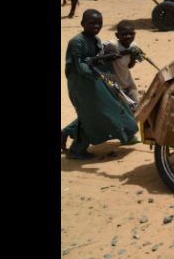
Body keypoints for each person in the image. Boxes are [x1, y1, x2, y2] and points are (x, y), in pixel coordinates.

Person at [60, 10, 139, 159]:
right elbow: (79, 66)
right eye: (92, 23)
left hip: (94, 81)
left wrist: (107, 58)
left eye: (99, 23)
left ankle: (68, 134)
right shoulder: (76, 42)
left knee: (97, 113)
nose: (96, 26)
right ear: (83, 24)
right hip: (81, 84)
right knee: (94, 114)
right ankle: (77, 149)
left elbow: (97, 60)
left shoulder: (96, 40)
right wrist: (98, 62)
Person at [103, 20, 141, 105]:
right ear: (117, 35)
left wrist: (133, 55)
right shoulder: (113, 45)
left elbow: (130, 66)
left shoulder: (134, 46)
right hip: (114, 84)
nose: (128, 36)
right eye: (124, 34)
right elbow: (100, 51)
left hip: (128, 83)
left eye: (131, 34)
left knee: (137, 106)